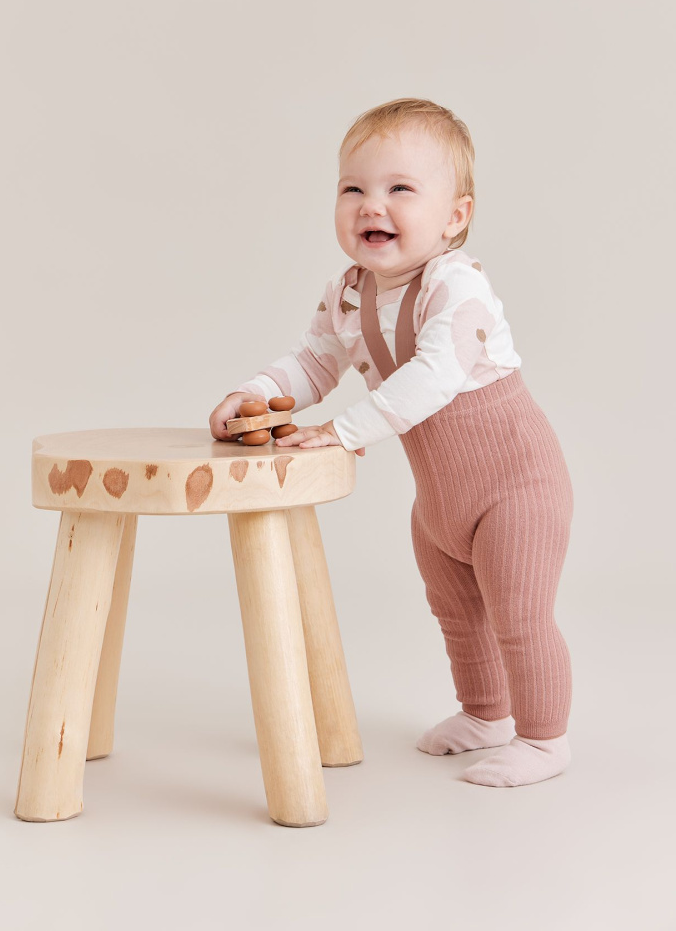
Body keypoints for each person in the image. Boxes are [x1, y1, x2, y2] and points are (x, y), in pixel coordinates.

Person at [208, 98, 574, 787]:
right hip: (441, 501)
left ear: (454, 217)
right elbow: (312, 363)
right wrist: (253, 393)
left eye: (400, 189)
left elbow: (435, 377)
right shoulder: (349, 294)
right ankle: (485, 714)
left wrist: (342, 435)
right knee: (457, 612)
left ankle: (546, 738)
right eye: (354, 188)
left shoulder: (457, 287)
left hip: (516, 487)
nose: (372, 204)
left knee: (518, 615)